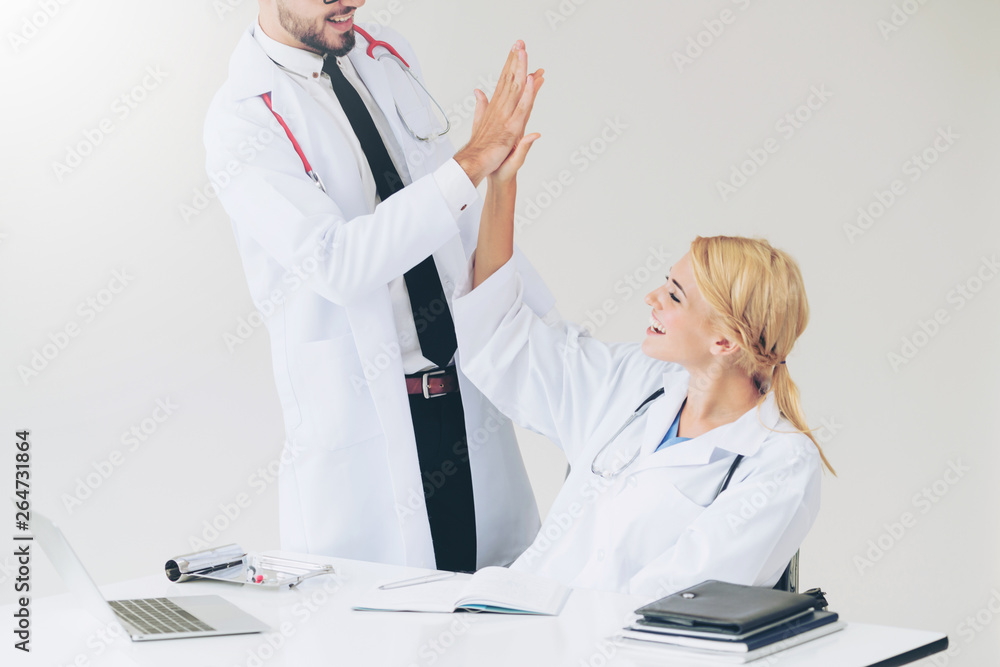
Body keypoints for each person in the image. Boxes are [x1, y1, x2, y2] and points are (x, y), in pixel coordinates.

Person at [203, 0, 555, 573]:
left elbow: (454, 228)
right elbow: (337, 264)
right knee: (385, 633)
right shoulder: (242, 120)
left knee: (500, 608)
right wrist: (468, 164)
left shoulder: (384, 55)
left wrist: (557, 352)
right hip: (367, 420)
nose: (353, 2)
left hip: (464, 397)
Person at [451, 132, 837, 598]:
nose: (651, 299)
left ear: (724, 340)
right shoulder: (636, 382)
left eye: (674, 296)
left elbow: (675, 601)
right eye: (665, 284)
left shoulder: (779, 463)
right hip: (513, 626)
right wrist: (502, 185)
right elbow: (502, 338)